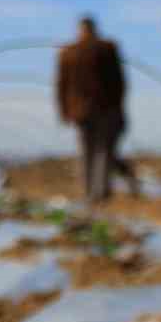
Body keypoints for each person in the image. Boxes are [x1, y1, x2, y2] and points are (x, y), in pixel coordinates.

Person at [56, 16, 134, 203]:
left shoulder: (68, 52)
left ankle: (89, 193)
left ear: (79, 30)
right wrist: (119, 106)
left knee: (86, 152)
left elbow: (61, 86)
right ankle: (101, 193)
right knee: (103, 152)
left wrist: (64, 111)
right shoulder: (107, 48)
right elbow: (120, 82)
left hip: (80, 111)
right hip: (105, 108)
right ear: (94, 29)